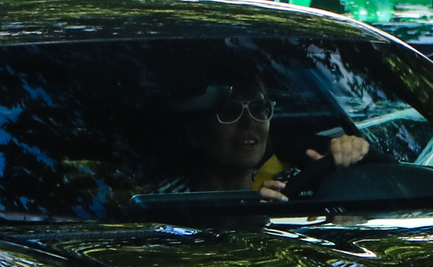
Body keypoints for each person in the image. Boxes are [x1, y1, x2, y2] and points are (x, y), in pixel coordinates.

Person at [145, 79, 366, 201]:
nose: (248, 123)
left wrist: (350, 157)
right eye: (230, 110)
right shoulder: (162, 202)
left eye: (259, 109)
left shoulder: (293, 184)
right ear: (194, 133)